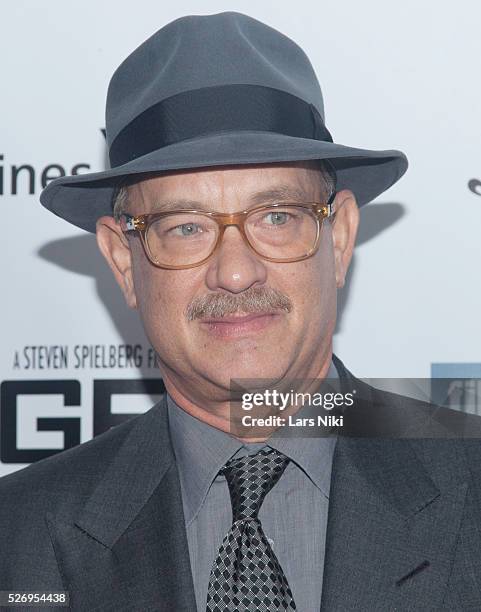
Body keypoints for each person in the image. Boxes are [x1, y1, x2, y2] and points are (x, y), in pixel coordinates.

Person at [1, 12, 481, 612]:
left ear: (339, 239)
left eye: (276, 216)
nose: (234, 271)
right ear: (123, 260)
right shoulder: (14, 541)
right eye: (185, 226)